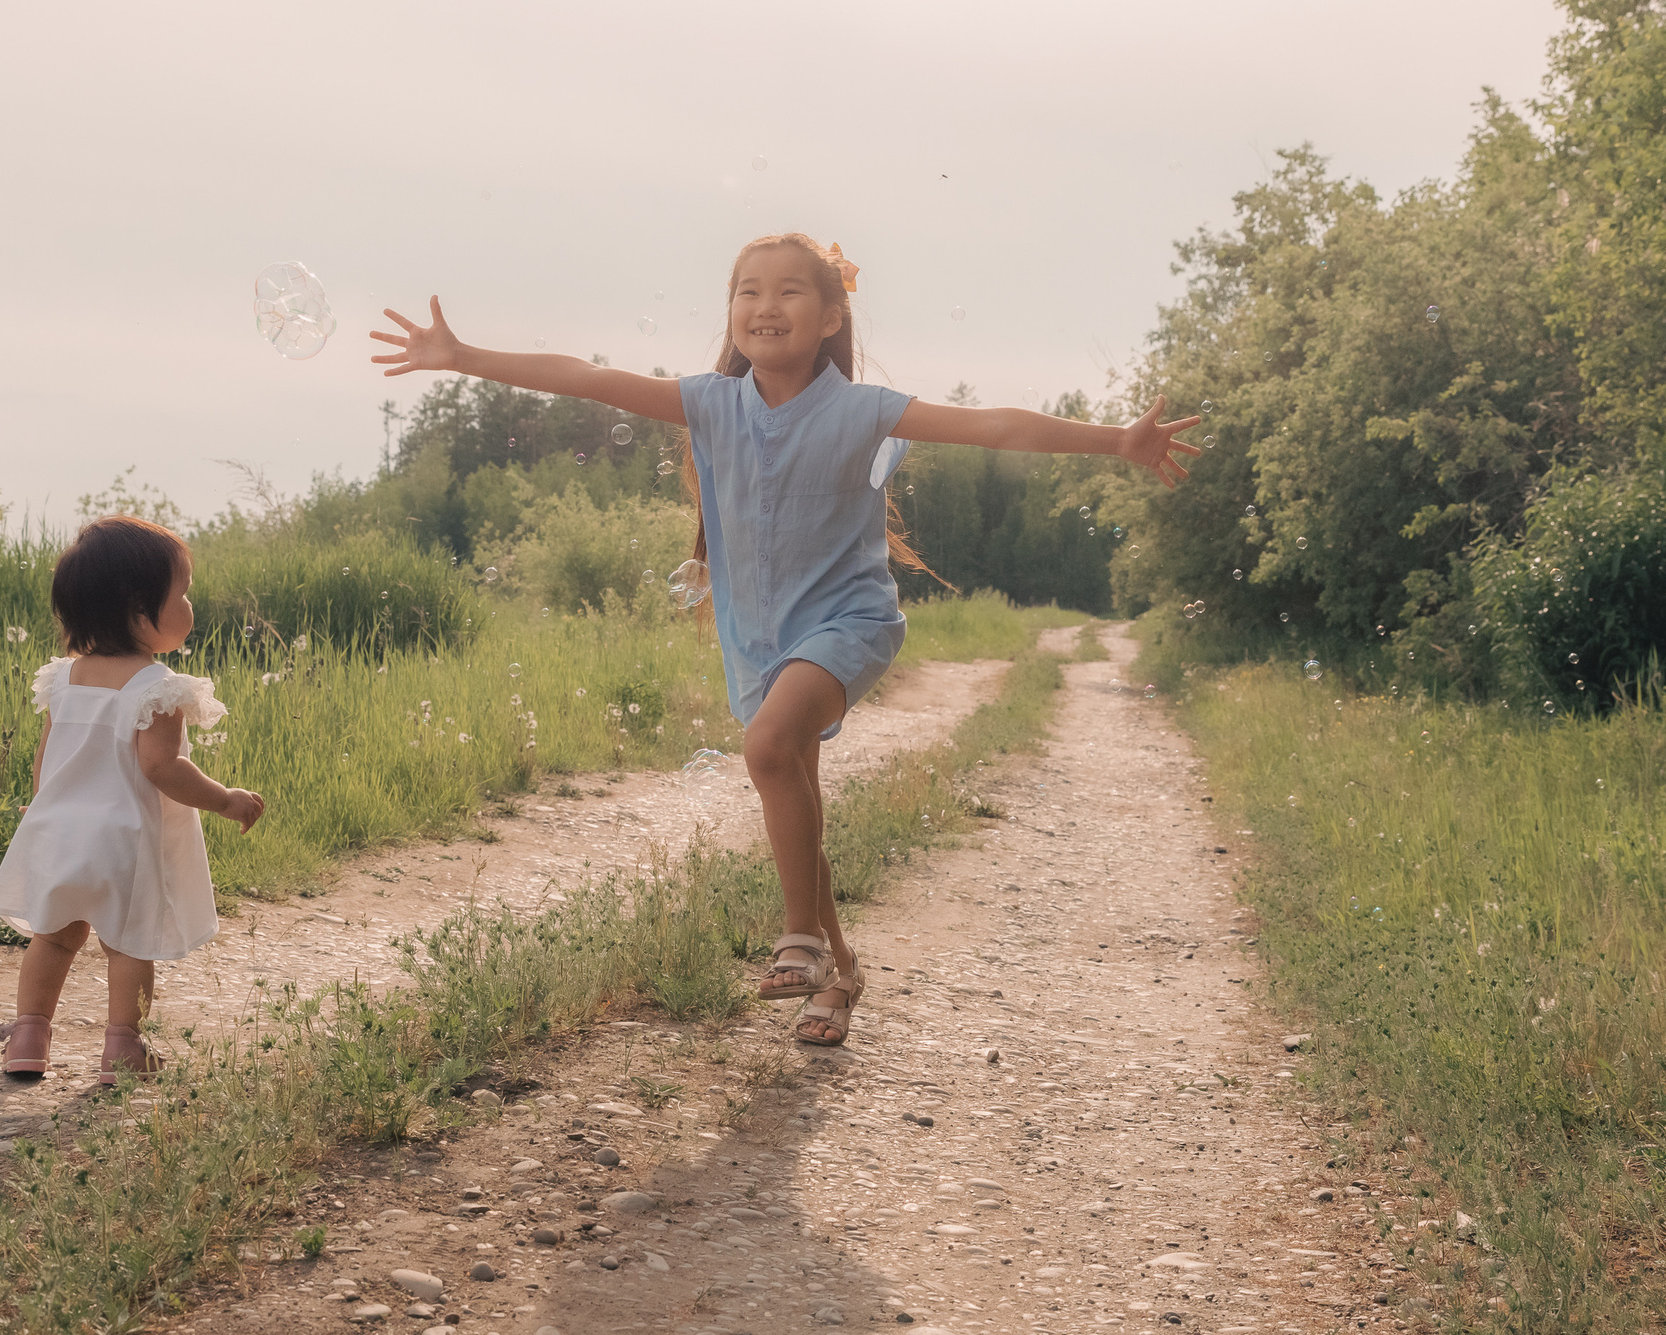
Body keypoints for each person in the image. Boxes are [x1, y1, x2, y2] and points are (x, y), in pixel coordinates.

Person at [371, 233, 1198, 1047]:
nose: (766, 306)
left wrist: (1116, 441)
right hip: (761, 641)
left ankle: (796, 939)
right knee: (794, 793)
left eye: (790, 292)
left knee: (768, 749)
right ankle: (838, 974)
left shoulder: (864, 411)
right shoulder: (710, 404)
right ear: (731, 312)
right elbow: (588, 379)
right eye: (748, 291)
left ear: (834, 316)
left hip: (852, 624)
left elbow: (993, 428)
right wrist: (464, 355)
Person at [0, 515, 266, 1085]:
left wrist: (42, 809)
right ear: (140, 609)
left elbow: (49, 756)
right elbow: (162, 767)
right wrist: (226, 800)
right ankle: (122, 1049)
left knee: (54, 936)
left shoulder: (66, 679)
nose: (190, 606)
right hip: (124, 841)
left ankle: (28, 1036)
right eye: (183, 593)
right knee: (127, 943)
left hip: (61, 830)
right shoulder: (156, 686)